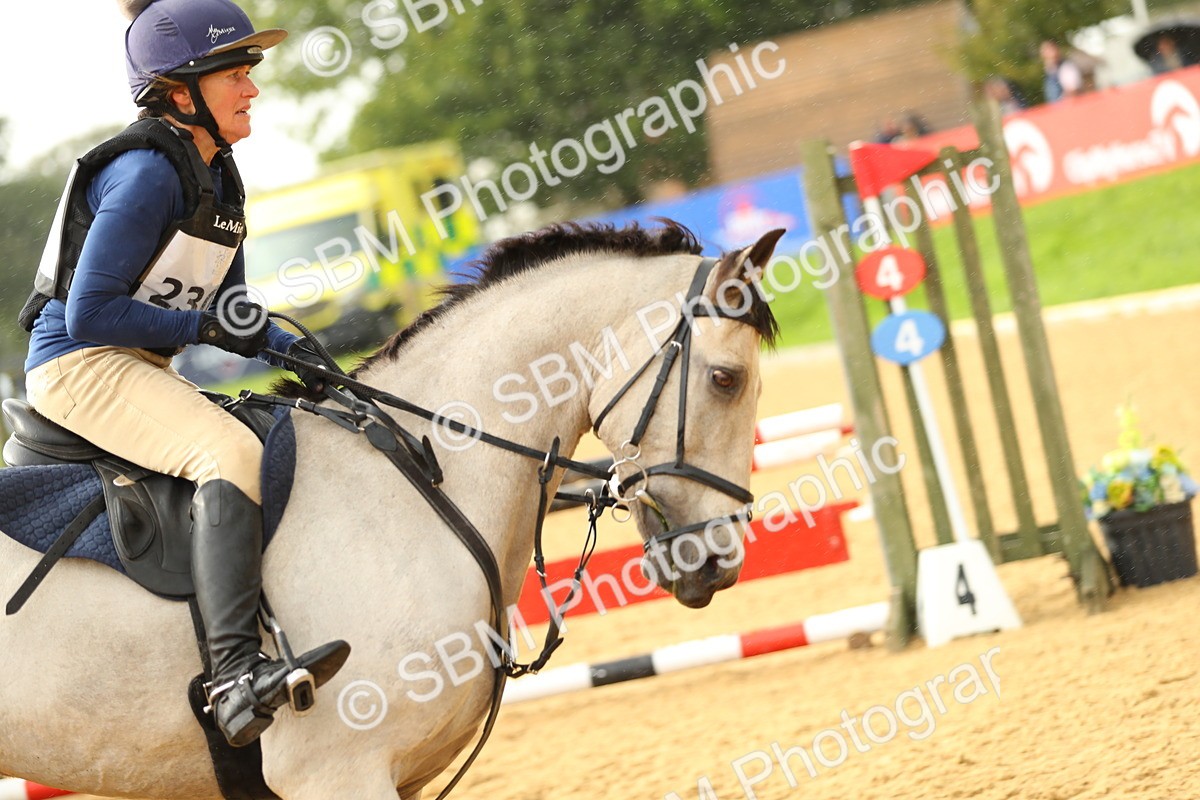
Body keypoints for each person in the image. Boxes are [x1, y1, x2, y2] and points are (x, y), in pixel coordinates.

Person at [17, 0, 347, 747]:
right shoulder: (143, 174)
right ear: (180, 91)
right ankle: (233, 676)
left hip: (135, 365)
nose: (252, 88)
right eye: (235, 74)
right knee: (227, 452)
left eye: (249, 73)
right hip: (79, 364)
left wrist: (290, 349)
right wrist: (202, 329)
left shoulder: (218, 176)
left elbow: (229, 308)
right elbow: (91, 314)